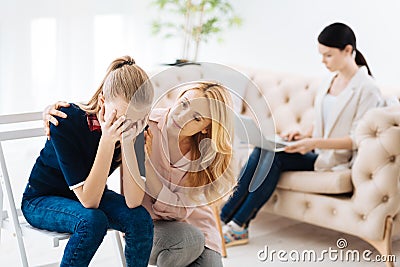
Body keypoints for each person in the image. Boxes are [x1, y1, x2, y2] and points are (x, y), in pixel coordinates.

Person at [220, 22, 383, 247]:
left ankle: (233, 224)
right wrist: (301, 133)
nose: (323, 61)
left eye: (328, 55)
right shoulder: (330, 79)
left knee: (272, 157)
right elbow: (323, 121)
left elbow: (356, 139)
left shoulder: (368, 89)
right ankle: (226, 221)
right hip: (315, 149)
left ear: (347, 50)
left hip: (334, 159)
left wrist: (312, 143)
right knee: (264, 150)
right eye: (321, 55)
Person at [44, 81, 237, 266]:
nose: (182, 116)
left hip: (197, 225)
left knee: (206, 257)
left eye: (196, 118)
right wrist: (54, 111)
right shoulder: (143, 123)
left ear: (206, 128)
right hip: (149, 225)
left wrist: (145, 162)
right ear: (180, 96)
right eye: (184, 104)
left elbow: (177, 211)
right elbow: (105, 106)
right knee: (189, 241)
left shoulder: (203, 153)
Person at [22, 55, 154, 267]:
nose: (128, 124)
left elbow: (133, 200)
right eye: (121, 117)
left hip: (89, 195)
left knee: (139, 219)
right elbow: (89, 202)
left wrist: (132, 142)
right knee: (92, 221)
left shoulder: (135, 129)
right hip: (42, 200)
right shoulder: (66, 120)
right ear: (103, 102)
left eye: (138, 118)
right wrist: (108, 139)